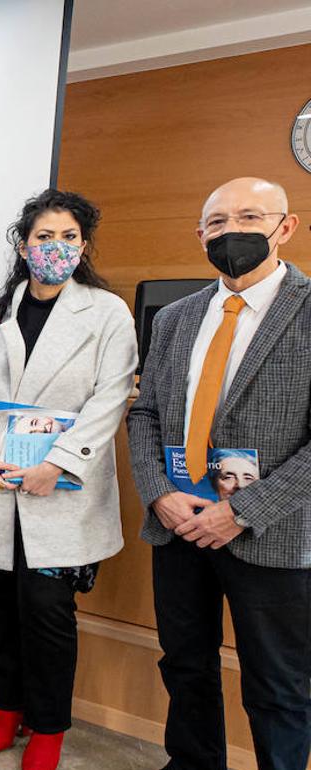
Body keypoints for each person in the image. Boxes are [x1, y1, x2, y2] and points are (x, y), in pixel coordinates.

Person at [0, 190, 138, 770]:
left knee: (48, 611)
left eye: (68, 237)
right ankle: (8, 706)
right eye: (44, 237)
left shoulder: (106, 312)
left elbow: (112, 395)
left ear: (84, 245)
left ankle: (48, 725)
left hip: (60, 487)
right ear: (24, 245)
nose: (56, 248)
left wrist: (62, 463)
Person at [128, 177, 310, 770]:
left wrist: (242, 512)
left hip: (272, 535)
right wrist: (158, 495)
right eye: (216, 222)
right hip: (179, 526)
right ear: (200, 235)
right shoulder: (176, 318)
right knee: (184, 665)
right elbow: (146, 414)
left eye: (249, 217)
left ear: (285, 227)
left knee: (278, 687)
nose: (231, 231)